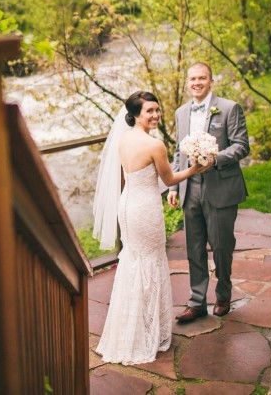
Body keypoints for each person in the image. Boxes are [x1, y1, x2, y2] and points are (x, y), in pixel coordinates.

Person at [93, 91, 209, 365]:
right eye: (150, 111)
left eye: (157, 110)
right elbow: (168, 178)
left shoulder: (123, 139)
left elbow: (138, 176)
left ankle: (129, 331)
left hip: (127, 206)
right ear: (135, 115)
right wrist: (194, 169)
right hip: (145, 209)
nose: (156, 115)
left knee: (133, 263)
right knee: (150, 263)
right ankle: (146, 333)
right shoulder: (154, 145)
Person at [168, 63, 250, 323]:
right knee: (193, 247)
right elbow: (177, 153)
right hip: (189, 188)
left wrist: (215, 159)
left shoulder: (229, 108)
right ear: (187, 82)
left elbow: (241, 146)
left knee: (222, 245)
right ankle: (197, 302)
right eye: (192, 79)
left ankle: (223, 294)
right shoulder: (181, 112)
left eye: (201, 78)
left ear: (211, 81)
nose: (196, 83)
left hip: (220, 187)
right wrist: (172, 186)